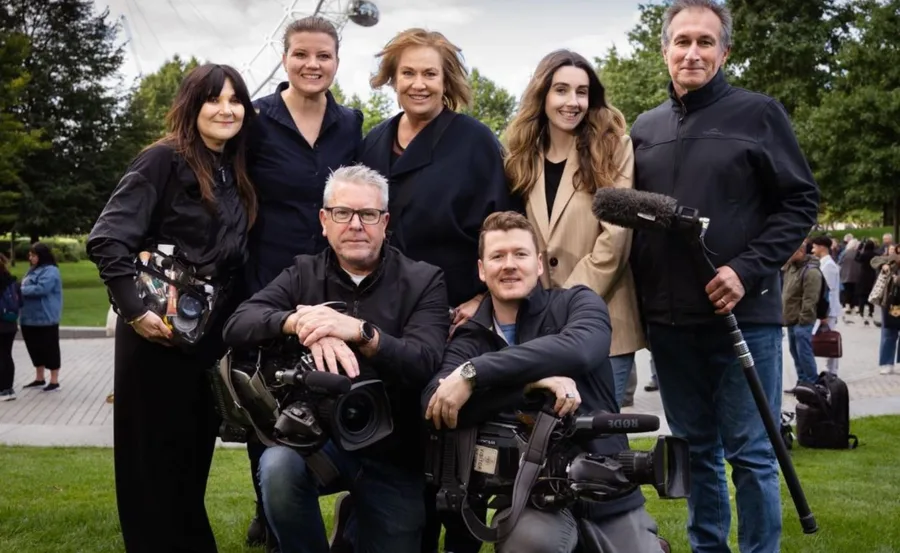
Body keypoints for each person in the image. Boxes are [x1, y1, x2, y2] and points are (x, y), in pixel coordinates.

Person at [627, 1, 819, 551]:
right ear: (664, 50)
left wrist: (746, 268)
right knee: (693, 451)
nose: (692, 52)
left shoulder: (759, 114)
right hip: (669, 322)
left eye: (705, 42)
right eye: (681, 41)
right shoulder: (645, 128)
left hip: (745, 316)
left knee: (752, 453)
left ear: (725, 51)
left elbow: (799, 201)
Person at [221, 164, 450, 553]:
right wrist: (297, 320)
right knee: (277, 468)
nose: (356, 225)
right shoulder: (302, 273)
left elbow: (425, 361)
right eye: (343, 213)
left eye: (368, 214)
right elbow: (237, 324)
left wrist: (361, 333)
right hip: (318, 440)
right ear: (325, 221)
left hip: (395, 448)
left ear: (385, 222)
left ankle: (353, 523)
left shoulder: (424, 280)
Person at [355, 27, 520, 553]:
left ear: (447, 80)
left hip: (456, 312)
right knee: (397, 438)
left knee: (453, 436)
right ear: (392, 78)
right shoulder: (374, 142)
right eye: (408, 73)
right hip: (389, 315)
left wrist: (482, 298)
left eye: (430, 73)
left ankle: (463, 539)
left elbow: (498, 229)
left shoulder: (472, 140)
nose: (419, 83)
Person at [87, 63, 257, 553]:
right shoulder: (162, 161)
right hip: (154, 340)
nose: (226, 110)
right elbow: (107, 239)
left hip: (202, 343)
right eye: (214, 99)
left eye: (235, 100)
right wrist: (135, 312)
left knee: (188, 466)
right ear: (191, 105)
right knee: (152, 471)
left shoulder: (230, 169)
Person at [423, 211, 665, 553]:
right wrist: (524, 388)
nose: (509, 265)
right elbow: (434, 401)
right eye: (497, 256)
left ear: (538, 264)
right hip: (531, 499)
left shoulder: (579, 303)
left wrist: (475, 374)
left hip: (606, 488)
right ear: (481, 269)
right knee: (530, 543)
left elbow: (581, 350)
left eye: (520, 254)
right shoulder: (469, 338)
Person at [241, 15, 363, 544]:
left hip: (332, 283)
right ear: (285, 58)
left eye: (324, 56)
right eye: (302, 55)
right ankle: (268, 507)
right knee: (266, 399)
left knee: (325, 389)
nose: (313, 65)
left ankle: (316, 489)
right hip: (268, 278)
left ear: (337, 61)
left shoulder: (351, 123)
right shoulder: (256, 120)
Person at [503, 49, 645, 408]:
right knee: (548, 444)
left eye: (582, 92)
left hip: (603, 322)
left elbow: (615, 241)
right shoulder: (520, 156)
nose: (573, 102)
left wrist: (564, 306)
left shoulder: (615, 148)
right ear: (543, 95)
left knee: (601, 445)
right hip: (536, 328)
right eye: (561, 90)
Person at [19, 242, 63, 392]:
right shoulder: (32, 270)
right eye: (30, 255)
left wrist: (20, 290)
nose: (30, 257)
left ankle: (54, 380)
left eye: (33, 255)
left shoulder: (51, 271)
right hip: (28, 317)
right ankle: (39, 378)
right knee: (34, 348)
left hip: (45, 317)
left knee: (49, 347)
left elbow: (42, 289)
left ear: (41, 255)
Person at [782, 240, 823, 388]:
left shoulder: (811, 271)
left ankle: (812, 383)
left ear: (800, 251)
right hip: (791, 319)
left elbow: (810, 299)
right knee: (795, 353)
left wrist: (803, 319)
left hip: (802, 321)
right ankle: (802, 381)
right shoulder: (791, 268)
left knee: (804, 353)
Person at [810, 235, 841, 373]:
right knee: (825, 339)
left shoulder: (828, 266)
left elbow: (829, 291)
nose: (812, 249)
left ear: (822, 247)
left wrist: (825, 312)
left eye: (815, 246)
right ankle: (829, 369)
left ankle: (831, 370)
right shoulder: (823, 263)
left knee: (829, 340)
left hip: (829, 310)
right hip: (827, 310)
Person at [872, 244, 900, 375]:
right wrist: (884, 265)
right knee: (889, 332)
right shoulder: (890, 262)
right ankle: (886, 363)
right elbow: (874, 260)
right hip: (891, 303)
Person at [0, 253, 21, 401]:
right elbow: (21, 302)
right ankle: (9, 388)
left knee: (1, 356)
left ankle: (2, 389)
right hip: (11, 323)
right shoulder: (13, 281)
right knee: (7, 354)